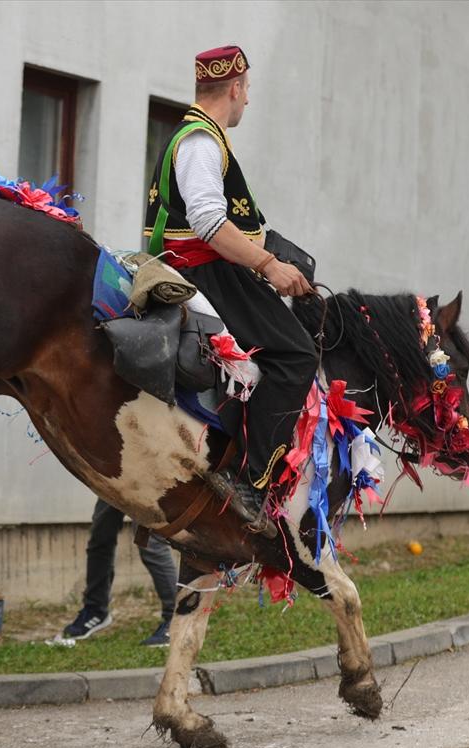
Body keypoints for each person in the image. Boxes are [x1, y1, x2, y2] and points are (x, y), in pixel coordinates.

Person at [142, 45, 316, 509]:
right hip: (207, 271)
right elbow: (208, 222)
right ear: (236, 88)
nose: (248, 101)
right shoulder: (201, 140)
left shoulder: (193, 134)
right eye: (248, 91)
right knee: (297, 355)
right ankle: (254, 484)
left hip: (202, 266)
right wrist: (269, 265)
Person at [62, 499, 177, 646]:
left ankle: (175, 618)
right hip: (113, 479)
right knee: (100, 537)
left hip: (147, 481)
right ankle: (95, 610)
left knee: (150, 543)